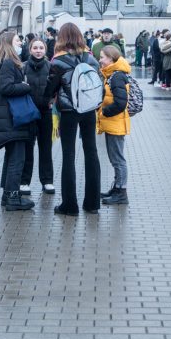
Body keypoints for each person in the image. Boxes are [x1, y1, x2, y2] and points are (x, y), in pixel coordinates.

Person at [44, 22, 102, 216]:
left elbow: (49, 89)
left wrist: (47, 101)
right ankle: (92, 203)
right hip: (89, 109)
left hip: (69, 111)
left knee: (68, 155)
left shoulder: (58, 62)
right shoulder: (91, 58)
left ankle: (70, 205)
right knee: (91, 153)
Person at [0, 31, 36, 211]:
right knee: (17, 159)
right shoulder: (8, 62)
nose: (20, 43)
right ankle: (13, 197)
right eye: (17, 41)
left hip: (7, 117)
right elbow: (6, 87)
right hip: (12, 118)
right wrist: (25, 86)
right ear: (8, 43)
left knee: (12, 157)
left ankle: (8, 194)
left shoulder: (2, 62)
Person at [97, 45, 131, 205]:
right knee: (115, 158)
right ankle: (117, 188)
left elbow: (120, 102)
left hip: (116, 122)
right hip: (113, 123)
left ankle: (121, 192)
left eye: (102, 57)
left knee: (118, 159)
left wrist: (104, 112)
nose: (100, 60)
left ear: (111, 58)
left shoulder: (116, 76)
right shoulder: (111, 74)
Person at [22, 38, 54, 195]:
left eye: (41, 47)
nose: (38, 50)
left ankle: (47, 181)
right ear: (30, 49)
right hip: (28, 112)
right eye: (35, 47)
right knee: (27, 147)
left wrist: (53, 101)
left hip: (45, 112)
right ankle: (24, 181)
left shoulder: (50, 67)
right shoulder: (23, 67)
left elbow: (57, 87)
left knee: (46, 147)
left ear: (45, 50)